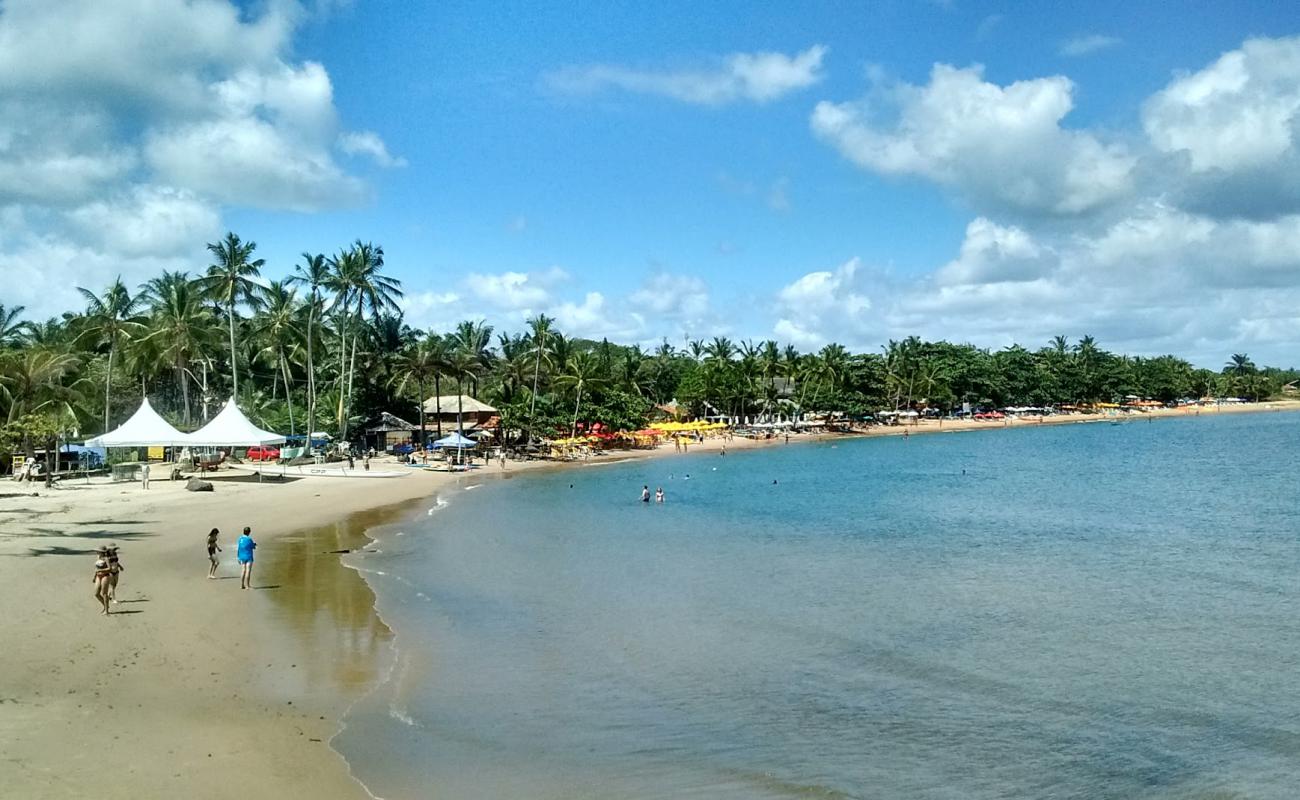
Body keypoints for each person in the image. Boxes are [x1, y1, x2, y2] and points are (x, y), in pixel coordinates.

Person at [92, 549, 113, 616]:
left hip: (105, 576)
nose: (96, 552)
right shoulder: (98, 557)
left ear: (102, 552)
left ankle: (106, 611)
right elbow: (96, 569)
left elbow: (110, 569)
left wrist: (101, 570)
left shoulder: (106, 558)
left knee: (104, 593)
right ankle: (105, 605)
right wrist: (94, 576)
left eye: (98, 551)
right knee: (96, 594)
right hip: (98, 576)